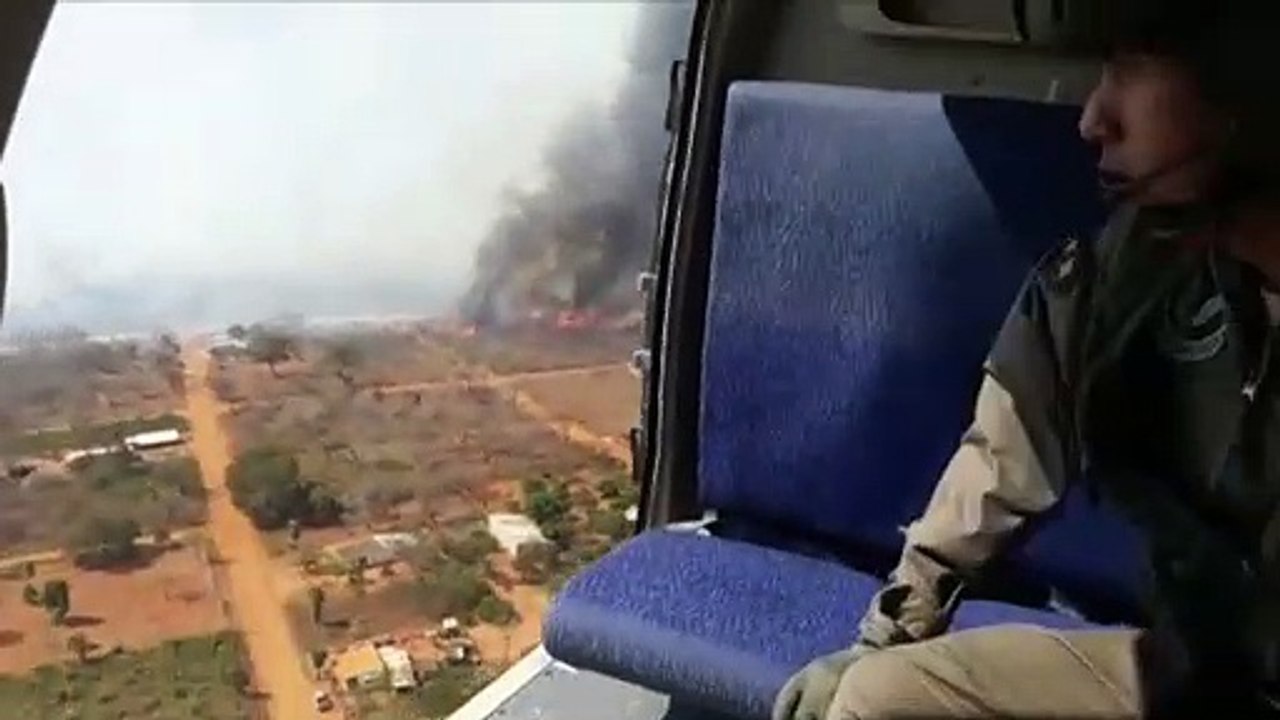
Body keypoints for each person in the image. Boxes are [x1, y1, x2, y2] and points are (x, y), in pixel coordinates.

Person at [772, 2, 1280, 719]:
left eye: (1132, 69)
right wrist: (887, 633)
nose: (1093, 118)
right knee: (879, 698)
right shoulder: (1133, 274)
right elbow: (1008, 452)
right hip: (1191, 675)